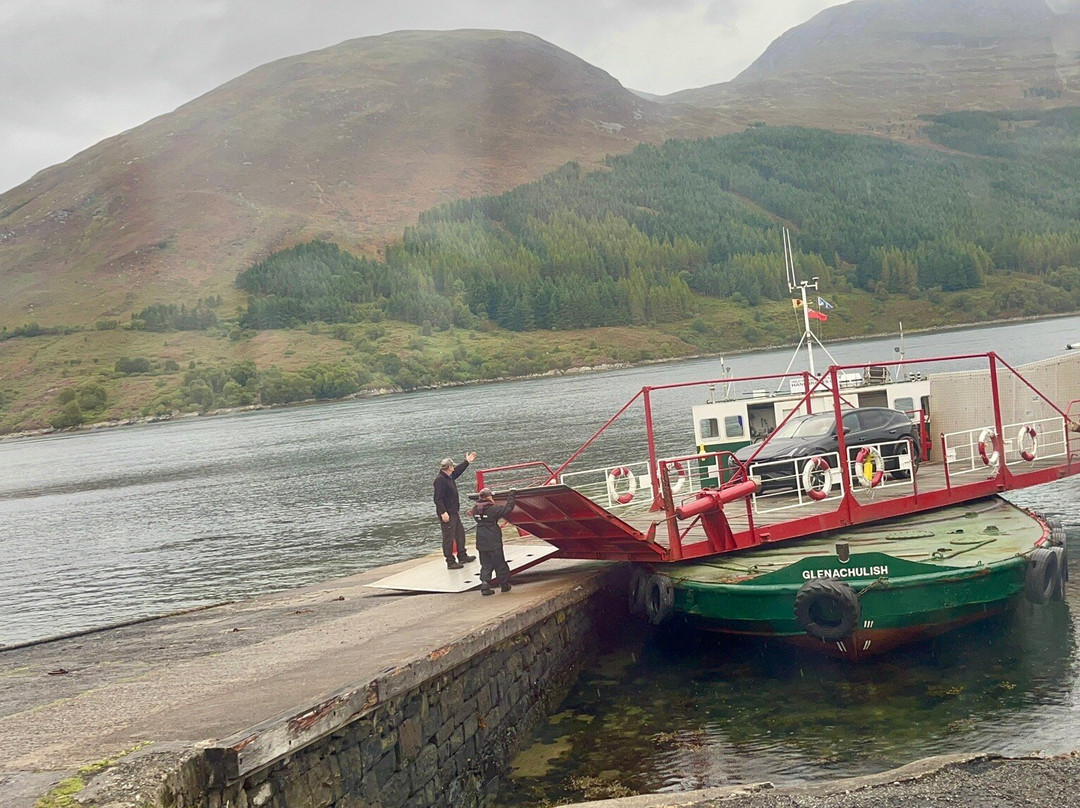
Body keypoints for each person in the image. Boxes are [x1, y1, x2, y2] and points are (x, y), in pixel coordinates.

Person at [434, 452, 477, 569]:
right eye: (452, 466)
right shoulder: (440, 480)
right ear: (448, 468)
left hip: (454, 511)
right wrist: (443, 512)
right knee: (448, 537)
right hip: (447, 513)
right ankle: (450, 561)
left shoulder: (449, 476)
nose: (454, 468)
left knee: (460, 534)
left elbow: (458, 471)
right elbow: (437, 499)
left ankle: (462, 555)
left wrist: (467, 462)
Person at [469, 487, 516, 595]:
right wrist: (511, 494)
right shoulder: (494, 509)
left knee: (485, 564)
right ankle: (504, 585)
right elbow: (509, 508)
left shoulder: (475, 509)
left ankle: (485, 584)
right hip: (493, 538)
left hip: (481, 538)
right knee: (499, 562)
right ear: (489, 497)